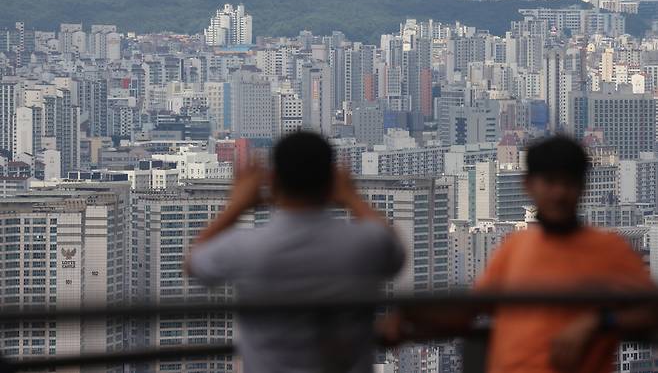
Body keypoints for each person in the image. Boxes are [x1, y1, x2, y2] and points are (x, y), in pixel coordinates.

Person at [382, 135, 657, 373]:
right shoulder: (516, 246)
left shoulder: (608, 249)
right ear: (529, 185)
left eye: (568, 183)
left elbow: (651, 310)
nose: (559, 193)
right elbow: (473, 308)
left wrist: (598, 321)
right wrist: (410, 316)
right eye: (550, 182)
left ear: (583, 187)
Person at [186, 131, 405, 373]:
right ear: (332, 180)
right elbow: (394, 251)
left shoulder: (248, 248)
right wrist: (350, 196)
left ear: (274, 180)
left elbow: (194, 263)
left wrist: (238, 203)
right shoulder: (363, 243)